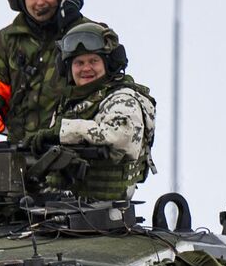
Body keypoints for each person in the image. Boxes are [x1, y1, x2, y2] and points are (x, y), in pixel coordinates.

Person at [0, 0, 113, 148]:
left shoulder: (86, 35)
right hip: (19, 152)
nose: (40, 2)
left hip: (74, 151)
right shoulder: (6, 41)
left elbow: (111, 88)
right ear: (21, 0)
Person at [27, 22, 155, 201]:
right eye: (79, 63)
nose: (86, 69)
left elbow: (120, 136)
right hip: (67, 206)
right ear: (68, 69)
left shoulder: (123, 98)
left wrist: (62, 132)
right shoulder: (70, 103)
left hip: (105, 212)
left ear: (108, 64)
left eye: (93, 61)